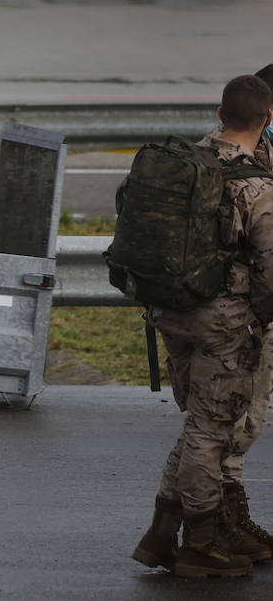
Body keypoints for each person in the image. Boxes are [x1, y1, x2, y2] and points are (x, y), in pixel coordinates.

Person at [132, 74, 273, 578]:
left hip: (170, 311)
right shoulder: (255, 183)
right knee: (212, 429)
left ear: (219, 114)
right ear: (268, 120)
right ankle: (202, 542)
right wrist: (258, 315)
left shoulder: (183, 164)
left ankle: (159, 534)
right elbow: (270, 269)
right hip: (223, 323)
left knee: (198, 423)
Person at [217, 63, 273, 557]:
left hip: (223, 308)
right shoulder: (244, 160)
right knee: (239, 417)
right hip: (245, 309)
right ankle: (221, 522)